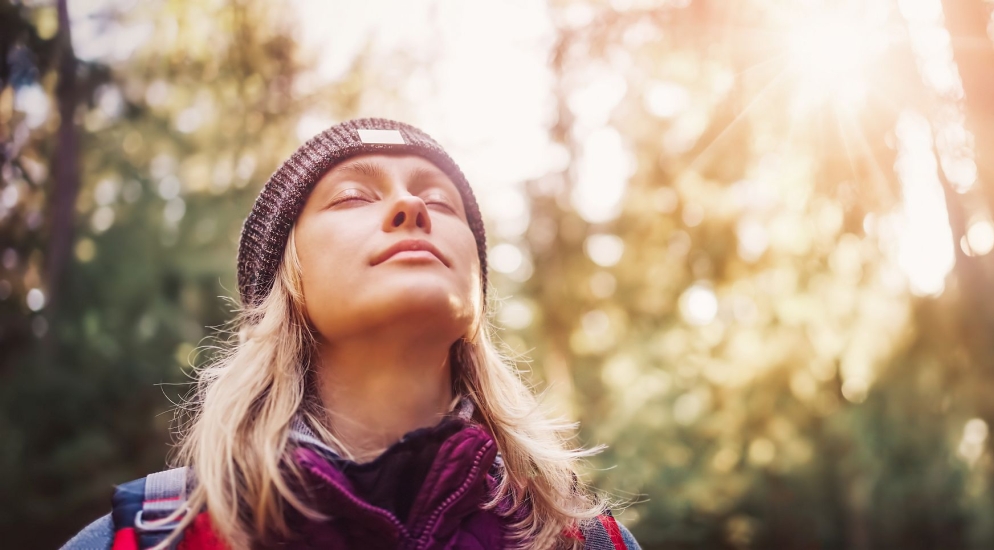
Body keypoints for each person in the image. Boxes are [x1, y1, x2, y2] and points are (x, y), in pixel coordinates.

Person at [62, 118, 640, 550]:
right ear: (286, 282)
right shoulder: (146, 537)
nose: (412, 205)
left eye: (441, 201)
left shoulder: (585, 541)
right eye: (353, 196)